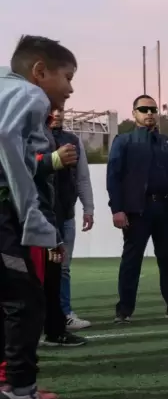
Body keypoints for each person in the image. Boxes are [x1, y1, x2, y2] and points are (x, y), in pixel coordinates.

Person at [0, 35, 75, 399]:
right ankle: (20, 392)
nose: (71, 88)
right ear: (40, 72)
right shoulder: (31, 95)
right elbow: (5, 139)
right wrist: (32, 215)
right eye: (68, 76)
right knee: (25, 300)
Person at [107, 95, 168, 324]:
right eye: (143, 109)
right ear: (134, 113)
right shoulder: (124, 142)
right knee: (132, 260)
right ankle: (124, 311)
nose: (149, 113)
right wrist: (117, 209)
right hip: (137, 211)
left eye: (153, 109)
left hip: (166, 210)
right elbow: (113, 178)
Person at [47, 108, 94, 332]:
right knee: (38, 269)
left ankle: (65, 313)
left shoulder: (72, 140)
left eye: (60, 110)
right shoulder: (32, 135)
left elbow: (83, 176)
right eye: (52, 109)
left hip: (66, 215)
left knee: (63, 268)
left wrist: (89, 207)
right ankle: (38, 318)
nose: (57, 113)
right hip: (41, 216)